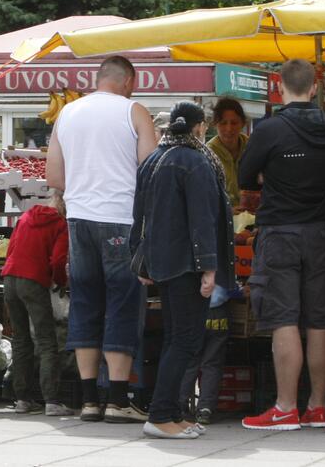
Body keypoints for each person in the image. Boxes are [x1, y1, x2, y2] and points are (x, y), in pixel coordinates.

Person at [46, 55, 158, 423]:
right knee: (123, 304)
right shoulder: (134, 112)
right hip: (121, 221)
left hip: (79, 221)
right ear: (128, 80)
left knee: (86, 303)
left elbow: (55, 176)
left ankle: (90, 400)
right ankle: (118, 399)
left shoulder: (68, 113)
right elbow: (151, 170)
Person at [238, 59, 325, 431]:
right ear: (313, 88)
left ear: (280, 87)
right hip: (319, 231)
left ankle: (285, 407)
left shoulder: (270, 129)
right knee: (317, 319)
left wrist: (269, 174)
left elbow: (246, 175)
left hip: (280, 231)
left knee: (282, 317)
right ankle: (317, 407)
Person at [131, 101, 235, 439]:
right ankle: (161, 415)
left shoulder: (154, 159)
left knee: (175, 338)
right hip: (188, 264)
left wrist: (140, 259)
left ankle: (174, 413)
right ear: (200, 127)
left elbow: (139, 216)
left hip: (163, 263)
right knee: (186, 340)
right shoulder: (195, 160)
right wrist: (209, 268)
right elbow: (202, 218)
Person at [1, 190, 73, 417]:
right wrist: (61, 283)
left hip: (10, 278)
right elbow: (59, 260)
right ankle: (51, 400)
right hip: (33, 281)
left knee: (21, 340)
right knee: (46, 340)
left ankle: (22, 399)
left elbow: (11, 248)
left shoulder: (26, 216)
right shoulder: (61, 224)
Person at [179, 284, 230, 425]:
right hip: (218, 314)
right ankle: (205, 409)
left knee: (190, 362)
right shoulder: (221, 263)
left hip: (192, 313)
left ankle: (180, 404)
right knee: (212, 364)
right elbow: (231, 288)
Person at [207, 97, 249, 206]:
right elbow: (206, 195)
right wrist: (227, 211)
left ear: (243, 123)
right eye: (223, 123)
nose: (229, 129)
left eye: (234, 123)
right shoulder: (207, 154)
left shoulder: (253, 147)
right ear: (215, 124)